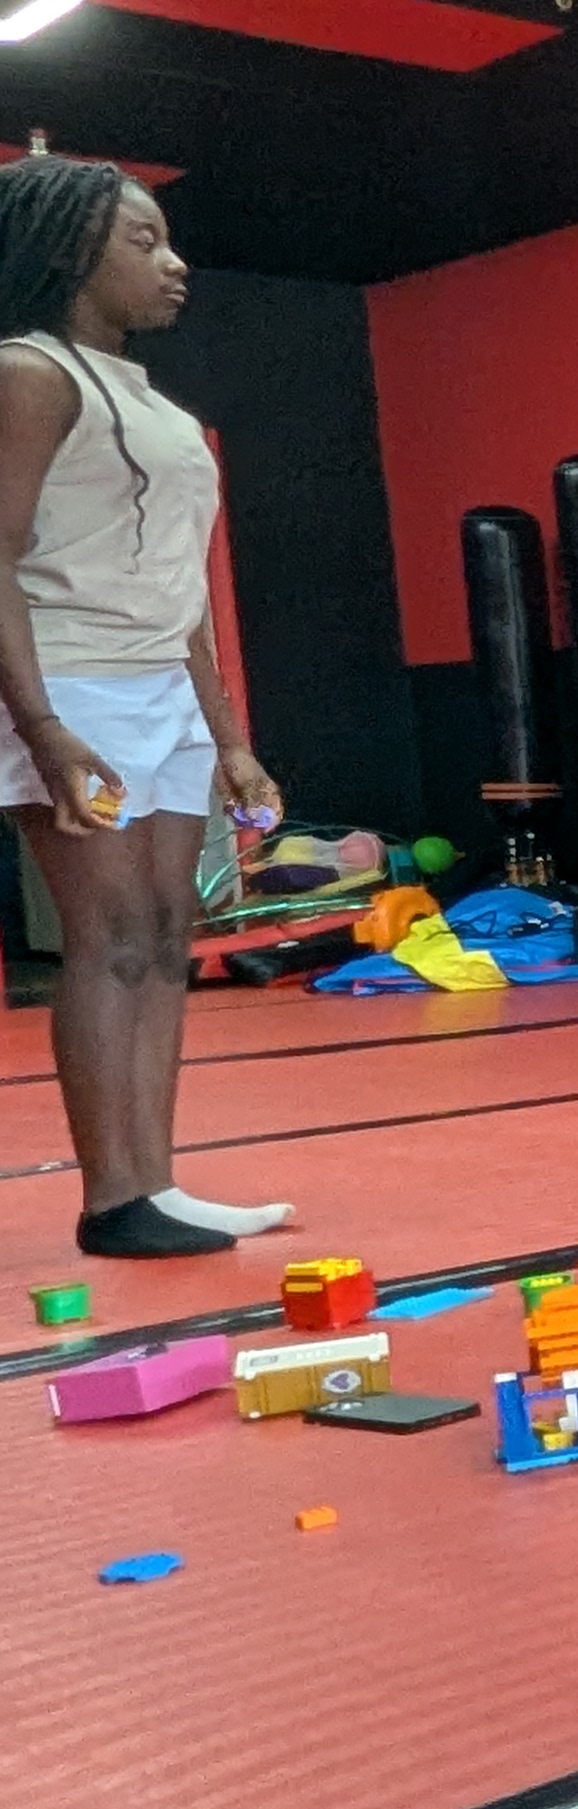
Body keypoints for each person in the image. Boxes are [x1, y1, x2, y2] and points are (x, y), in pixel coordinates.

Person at [0, 161, 289, 1258]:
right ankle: (112, 1199)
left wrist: (231, 740)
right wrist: (41, 727)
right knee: (110, 935)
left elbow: (185, 591)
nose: (175, 264)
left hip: (163, 691)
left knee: (169, 938)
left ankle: (154, 1187)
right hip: (72, 683)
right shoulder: (28, 372)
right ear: (71, 252)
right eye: (143, 241)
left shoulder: (159, 406)